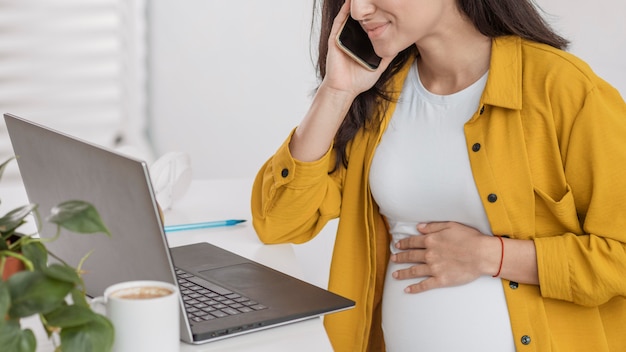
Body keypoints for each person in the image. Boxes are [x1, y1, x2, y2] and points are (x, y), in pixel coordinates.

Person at [251, 0, 626, 350]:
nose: (360, 9)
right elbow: (278, 223)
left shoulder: (564, 90)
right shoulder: (377, 96)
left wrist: (492, 256)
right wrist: (336, 91)